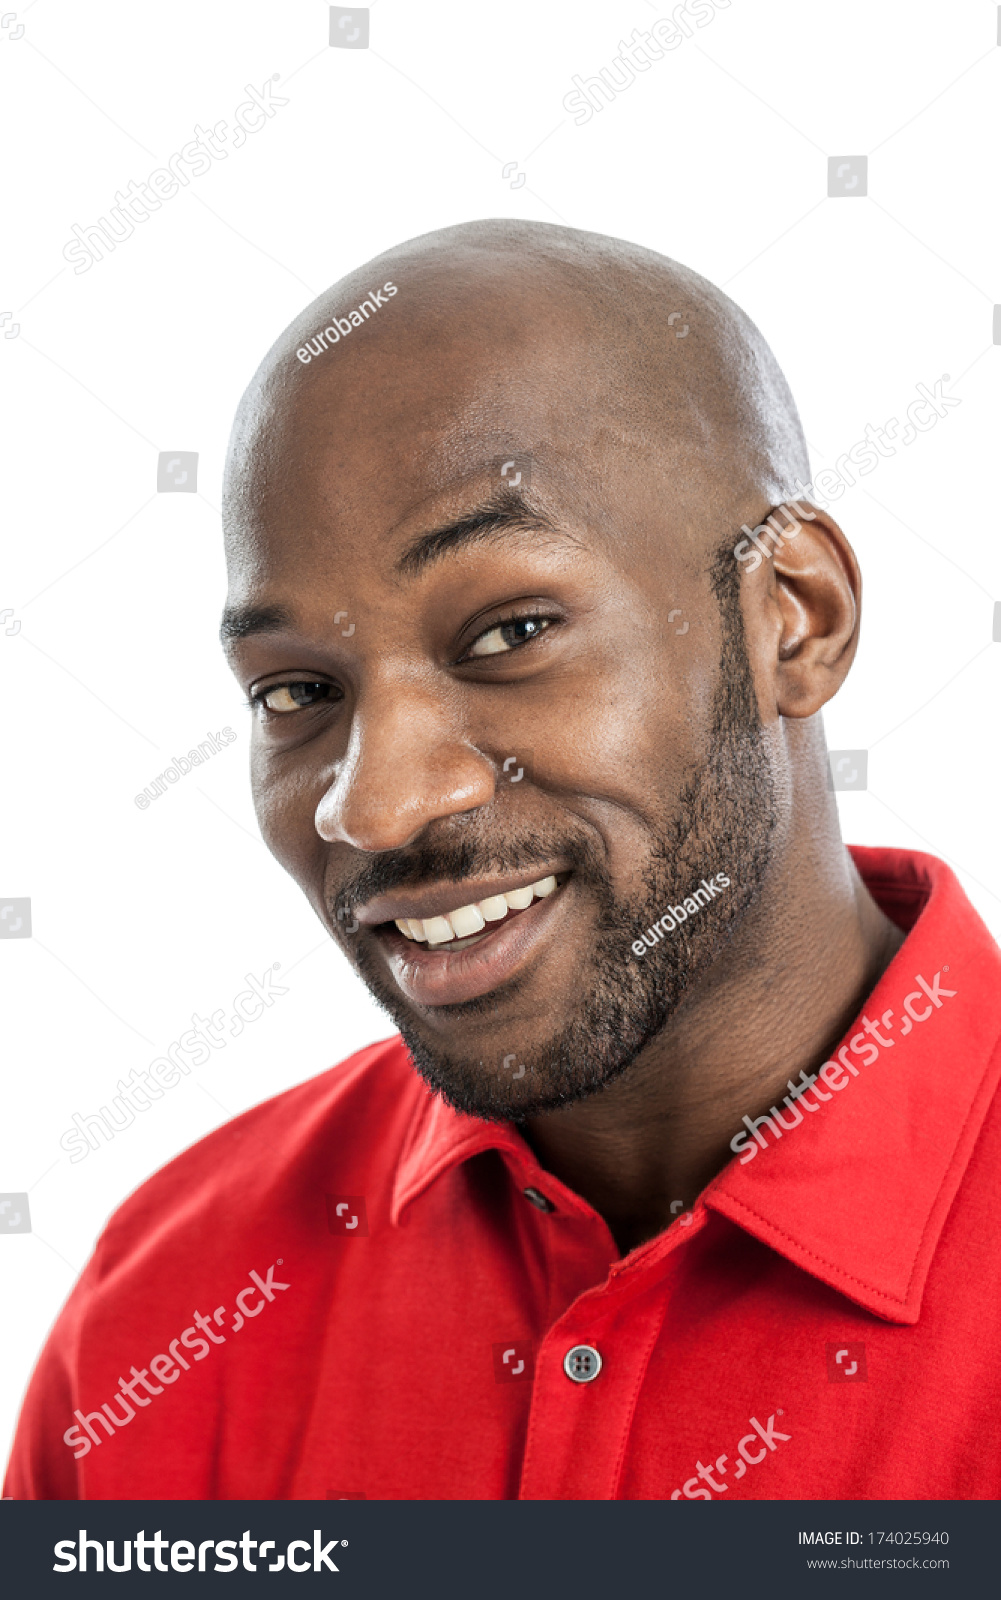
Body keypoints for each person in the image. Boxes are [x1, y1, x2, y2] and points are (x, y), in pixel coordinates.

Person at [7, 221, 999, 1501]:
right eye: (298, 689)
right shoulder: (168, 1308)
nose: (373, 805)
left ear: (791, 619)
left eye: (509, 631)